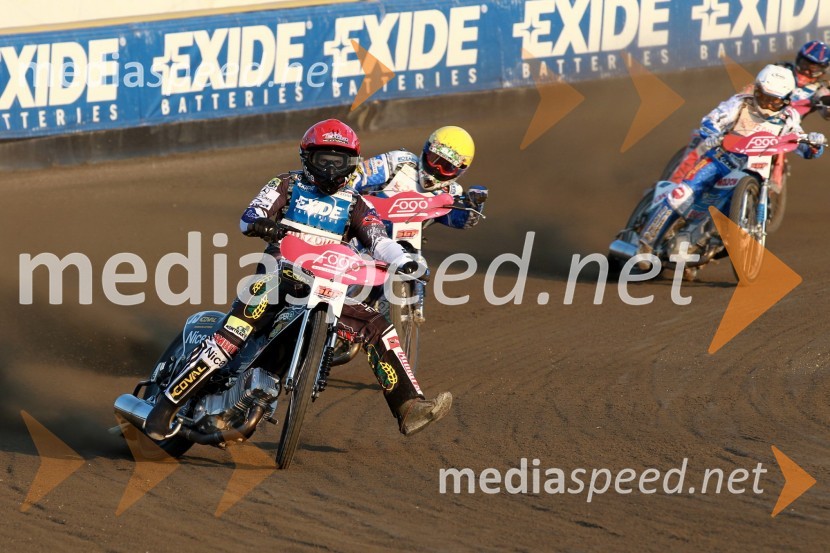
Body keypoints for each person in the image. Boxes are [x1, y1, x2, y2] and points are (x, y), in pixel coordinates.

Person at [144, 119, 452, 440]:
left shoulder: (356, 204)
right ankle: (165, 405)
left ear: (353, 164)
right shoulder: (286, 184)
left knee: (376, 325)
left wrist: (404, 260)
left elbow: (379, 240)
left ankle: (409, 406)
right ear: (307, 157)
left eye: (340, 160)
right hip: (277, 278)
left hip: (327, 290)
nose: (332, 168)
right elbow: (251, 214)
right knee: (232, 334)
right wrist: (261, 224)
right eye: (324, 159)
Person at [638, 64, 826, 260]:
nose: (767, 105)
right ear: (756, 91)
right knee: (682, 193)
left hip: (756, 167)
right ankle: (647, 241)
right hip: (720, 159)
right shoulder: (740, 103)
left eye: (774, 101)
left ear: (786, 100)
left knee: (729, 214)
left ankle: (706, 242)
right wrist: (712, 134)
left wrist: (813, 144)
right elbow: (712, 120)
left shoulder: (789, 117)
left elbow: (800, 142)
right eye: (763, 97)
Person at [666, 41, 830, 183]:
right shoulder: (781, 70)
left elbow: (826, 111)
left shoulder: (820, 89)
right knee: (705, 144)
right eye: (804, 64)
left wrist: (825, 106)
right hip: (752, 116)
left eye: (813, 69)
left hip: (781, 130)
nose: (805, 71)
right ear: (798, 60)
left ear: (822, 71)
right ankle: (673, 184)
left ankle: (766, 197)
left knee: (781, 159)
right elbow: (753, 87)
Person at [350, 126, 488, 228]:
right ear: (426, 150)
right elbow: (356, 176)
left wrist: (475, 204)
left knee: (420, 267)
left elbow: (461, 221)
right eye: (434, 159)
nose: (436, 168)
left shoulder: (451, 193)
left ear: (459, 171)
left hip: (402, 249)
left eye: (446, 166)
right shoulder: (400, 161)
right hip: (358, 231)